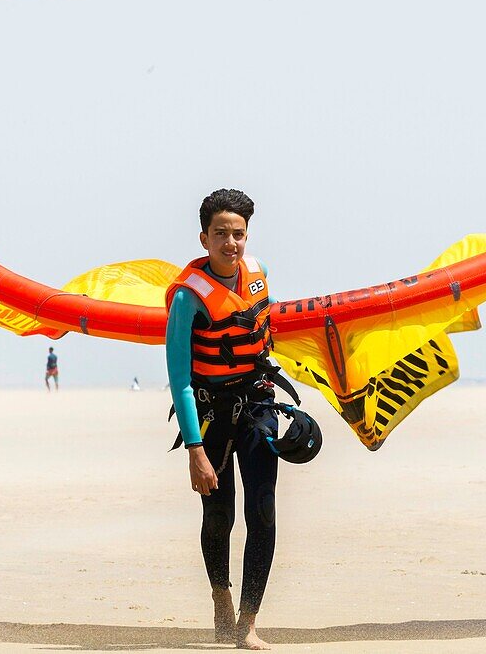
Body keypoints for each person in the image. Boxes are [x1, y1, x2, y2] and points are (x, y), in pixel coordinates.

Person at [165, 188, 299, 650]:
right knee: (219, 516)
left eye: (238, 234)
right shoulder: (188, 299)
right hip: (210, 413)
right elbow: (179, 379)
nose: (231, 243)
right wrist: (194, 452)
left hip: (258, 403)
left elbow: (264, 336)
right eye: (220, 233)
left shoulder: (259, 273)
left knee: (262, 510)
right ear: (204, 238)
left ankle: (248, 623)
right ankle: (221, 596)